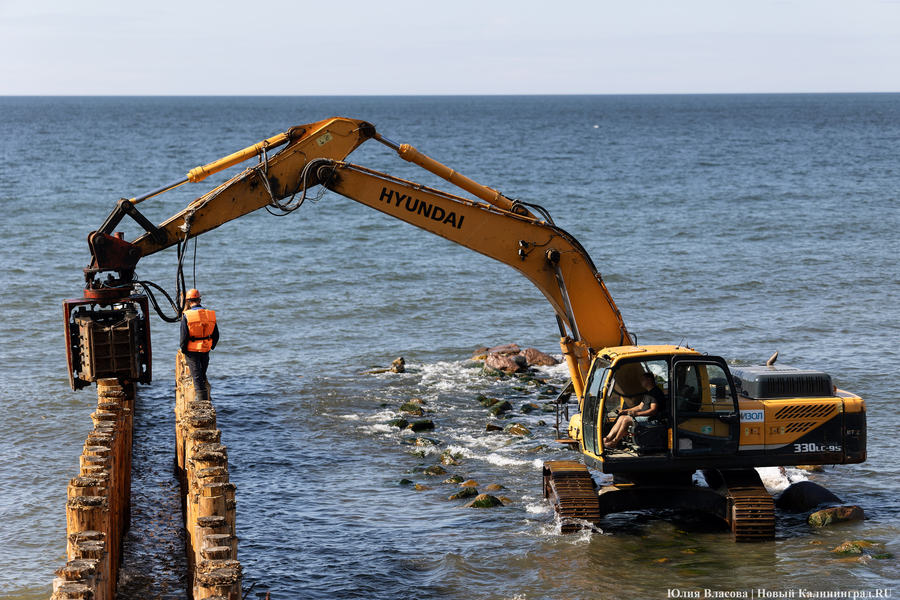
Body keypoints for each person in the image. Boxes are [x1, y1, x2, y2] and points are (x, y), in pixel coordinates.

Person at [603, 372, 664, 449]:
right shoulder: (648, 393)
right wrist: (623, 411)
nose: (640, 381)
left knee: (625, 420)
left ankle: (614, 442)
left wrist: (637, 414)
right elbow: (639, 407)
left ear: (649, 380)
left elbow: (653, 411)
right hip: (644, 417)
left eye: (643, 379)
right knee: (622, 417)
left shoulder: (656, 392)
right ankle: (607, 438)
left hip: (652, 419)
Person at [180, 288, 219, 401]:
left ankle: (202, 400)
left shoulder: (187, 316)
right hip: (205, 348)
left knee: (196, 375)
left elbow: (184, 336)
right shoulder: (210, 314)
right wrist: (211, 346)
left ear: (188, 301)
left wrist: (183, 349)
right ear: (199, 299)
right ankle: (203, 395)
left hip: (192, 350)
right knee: (202, 372)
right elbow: (216, 334)